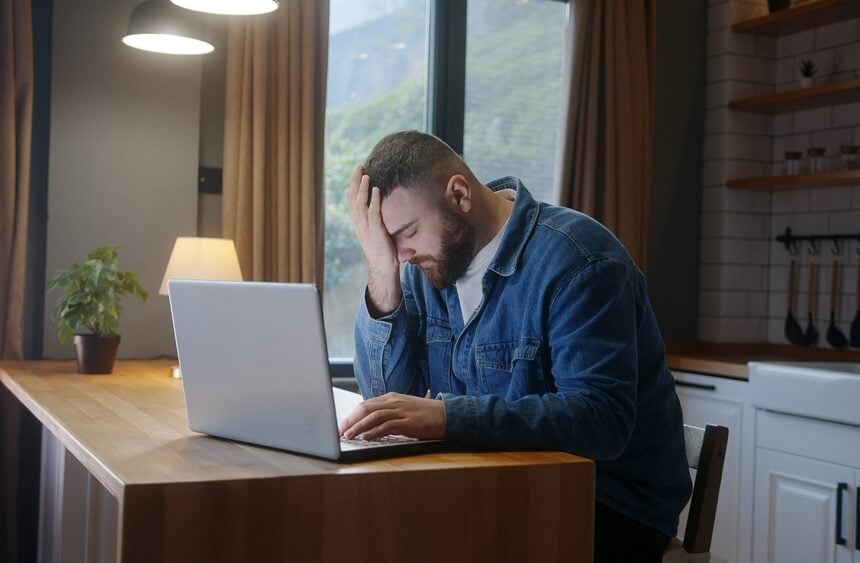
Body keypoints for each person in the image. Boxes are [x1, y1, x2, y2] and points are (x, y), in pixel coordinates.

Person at [338, 130, 692, 562]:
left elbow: (603, 421)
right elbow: (387, 407)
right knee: (362, 530)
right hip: (493, 487)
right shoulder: (422, 270)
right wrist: (380, 268)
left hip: (609, 506)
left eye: (406, 232)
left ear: (460, 195)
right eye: (387, 241)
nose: (402, 254)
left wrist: (449, 417)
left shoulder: (581, 261)